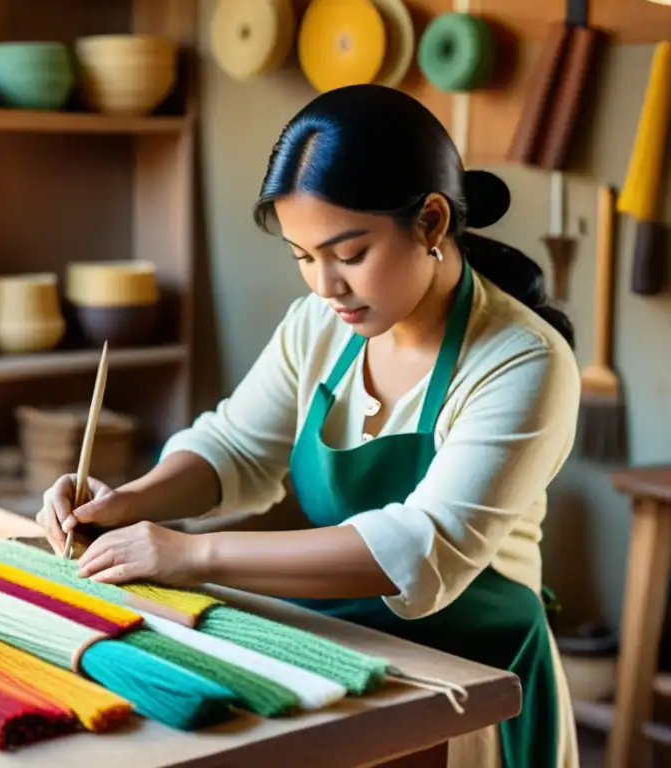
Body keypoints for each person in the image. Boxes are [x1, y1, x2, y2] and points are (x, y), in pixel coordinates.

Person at [37, 84, 580, 768]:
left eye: (349, 254)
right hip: (348, 653)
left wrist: (191, 554)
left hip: (476, 678)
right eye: (303, 255)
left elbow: (419, 549)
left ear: (432, 222)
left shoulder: (522, 361)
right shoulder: (319, 328)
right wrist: (128, 502)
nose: (325, 286)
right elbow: (235, 448)